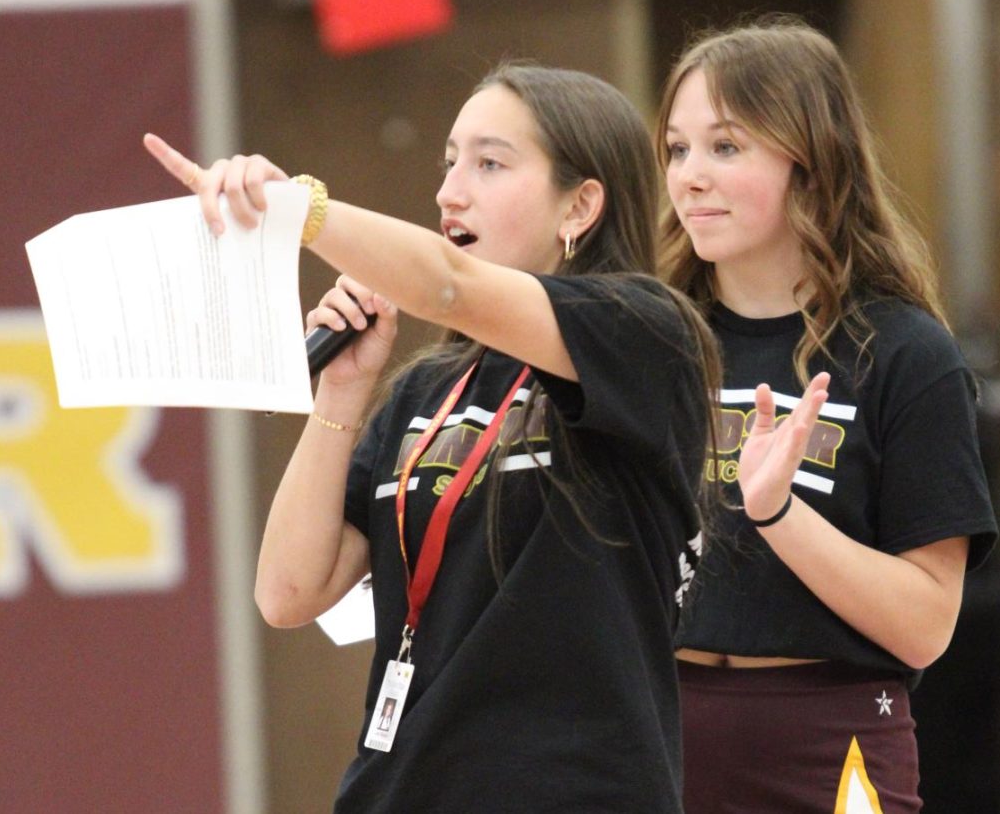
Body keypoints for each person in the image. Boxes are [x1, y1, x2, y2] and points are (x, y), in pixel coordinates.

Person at [144, 63, 829, 814]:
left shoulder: (642, 331)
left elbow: (448, 286)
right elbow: (287, 592)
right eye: (449, 162)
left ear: (580, 205)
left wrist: (299, 210)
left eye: (490, 163)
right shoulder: (424, 387)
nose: (450, 191)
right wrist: (340, 394)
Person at [656, 18, 999, 813]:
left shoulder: (906, 354)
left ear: (811, 162)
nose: (690, 177)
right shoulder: (656, 341)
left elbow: (924, 626)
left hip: (829, 738)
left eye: (726, 147)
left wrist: (776, 513)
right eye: (677, 149)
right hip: (660, 729)